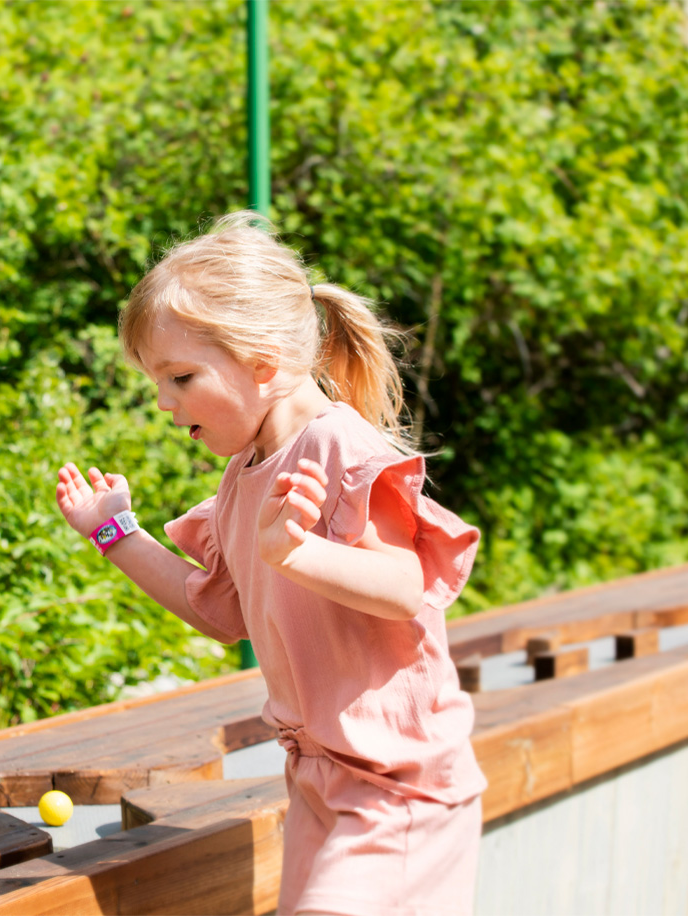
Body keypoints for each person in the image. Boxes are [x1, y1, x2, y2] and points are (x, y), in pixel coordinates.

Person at [57, 212, 485, 915]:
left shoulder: (340, 446)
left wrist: (299, 553)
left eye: (181, 377)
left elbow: (405, 587)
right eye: (156, 382)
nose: (164, 402)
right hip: (316, 777)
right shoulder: (243, 478)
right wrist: (115, 534)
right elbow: (219, 612)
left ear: (264, 363)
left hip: (397, 785)